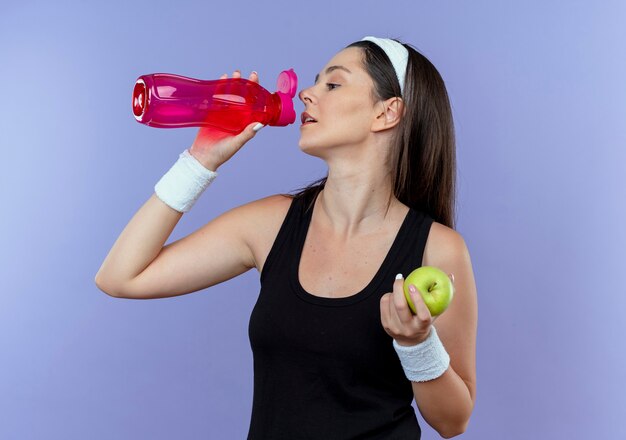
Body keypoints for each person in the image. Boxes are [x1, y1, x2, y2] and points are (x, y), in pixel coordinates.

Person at [95, 36, 477, 439]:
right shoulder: (271, 224)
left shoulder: (437, 249)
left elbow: (453, 421)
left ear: (387, 112)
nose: (308, 94)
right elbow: (120, 277)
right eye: (314, 83)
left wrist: (417, 343)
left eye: (333, 84)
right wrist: (199, 161)